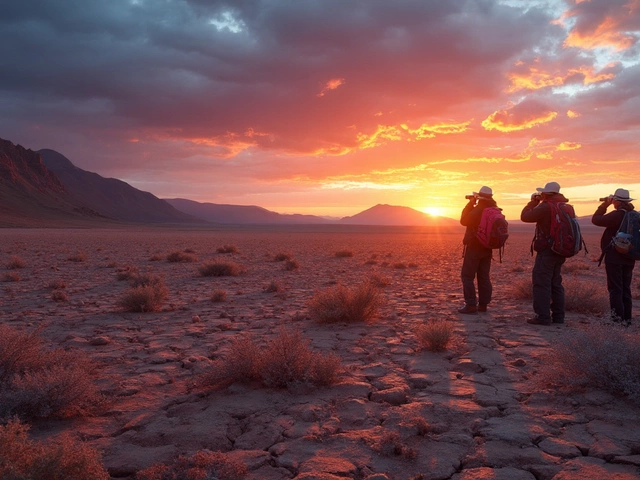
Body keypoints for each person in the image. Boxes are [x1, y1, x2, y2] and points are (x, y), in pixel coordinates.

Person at [520, 181, 567, 325]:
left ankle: (543, 317)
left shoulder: (546, 206)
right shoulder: (564, 206)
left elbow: (525, 217)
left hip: (547, 251)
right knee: (556, 283)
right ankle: (559, 317)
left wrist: (532, 202)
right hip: (560, 250)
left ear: (546, 193)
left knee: (541, 283)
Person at [591, 188, 636, 324]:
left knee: (615, 288)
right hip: (630, 256)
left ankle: (616, 320)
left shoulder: (617, 215)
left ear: (616, 201)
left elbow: (596, 220)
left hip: (615, 257)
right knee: (625, 288)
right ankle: (627, 319)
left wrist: (604, 205)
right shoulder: (634, 215)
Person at [458, 186, 496, 314]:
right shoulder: (493, 209)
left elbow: (464, 220)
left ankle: (471, 305)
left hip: (474, 246)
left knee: (467, 276)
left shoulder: (479, 209)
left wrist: (470, 204)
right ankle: (483, 305)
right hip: (487, 247)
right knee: (483, 276)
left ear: (479, 197)